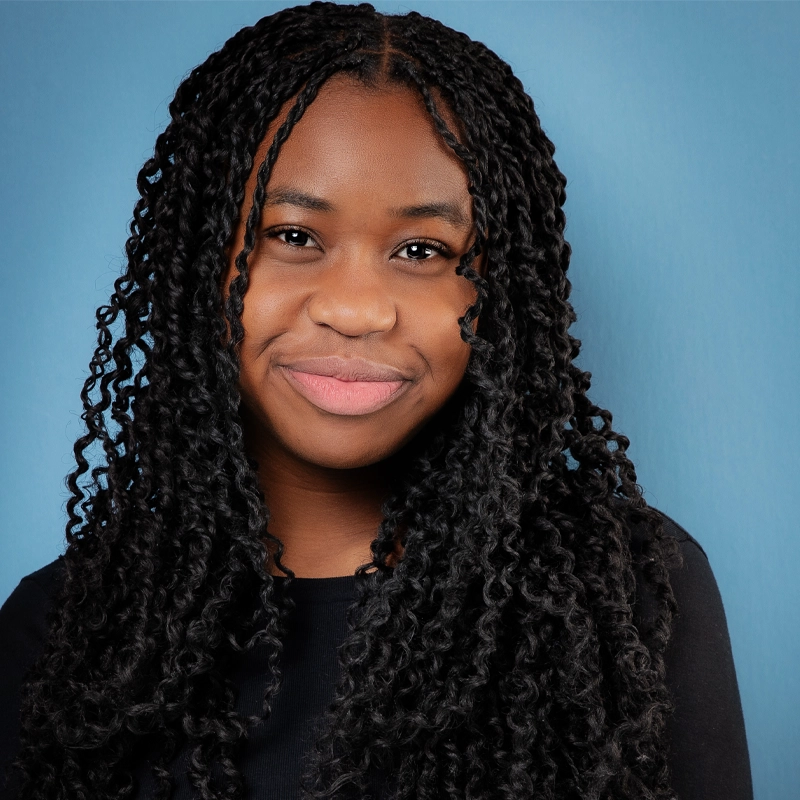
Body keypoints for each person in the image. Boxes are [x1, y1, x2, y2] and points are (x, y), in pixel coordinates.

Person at [0, 3, 753, 799]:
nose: (357, 308)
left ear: (501, 292)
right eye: (292, 236)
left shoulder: (623, 593)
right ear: (200, 262)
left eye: (422, 250)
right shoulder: (62, 633)